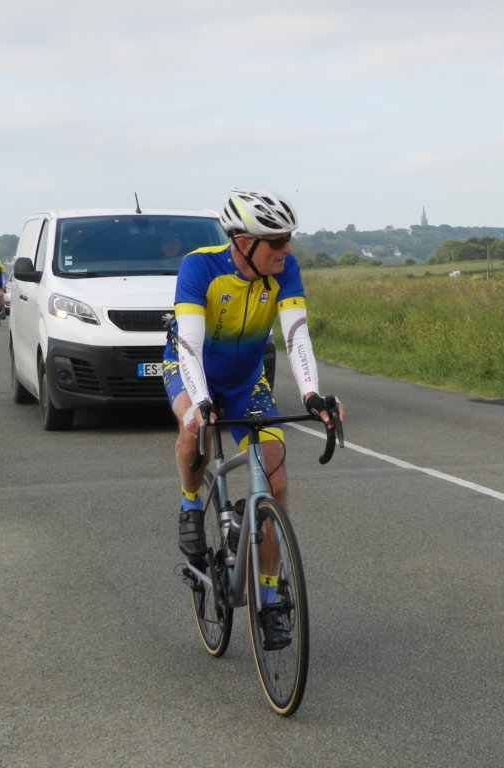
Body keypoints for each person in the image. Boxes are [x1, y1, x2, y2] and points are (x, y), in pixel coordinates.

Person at [163, 187, 344, 649]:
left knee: (275, 477)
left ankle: (269, 599)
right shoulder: (200, 268)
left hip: (246, 379)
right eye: (277, 241)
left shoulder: (285, 270)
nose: (287, 249)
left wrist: (311, 393)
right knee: (194, 426)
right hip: (191, 368)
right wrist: (201, 401)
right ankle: (190, 505)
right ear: (244, 243)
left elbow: (296, 335)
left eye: (289, 239)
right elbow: (189, 345)